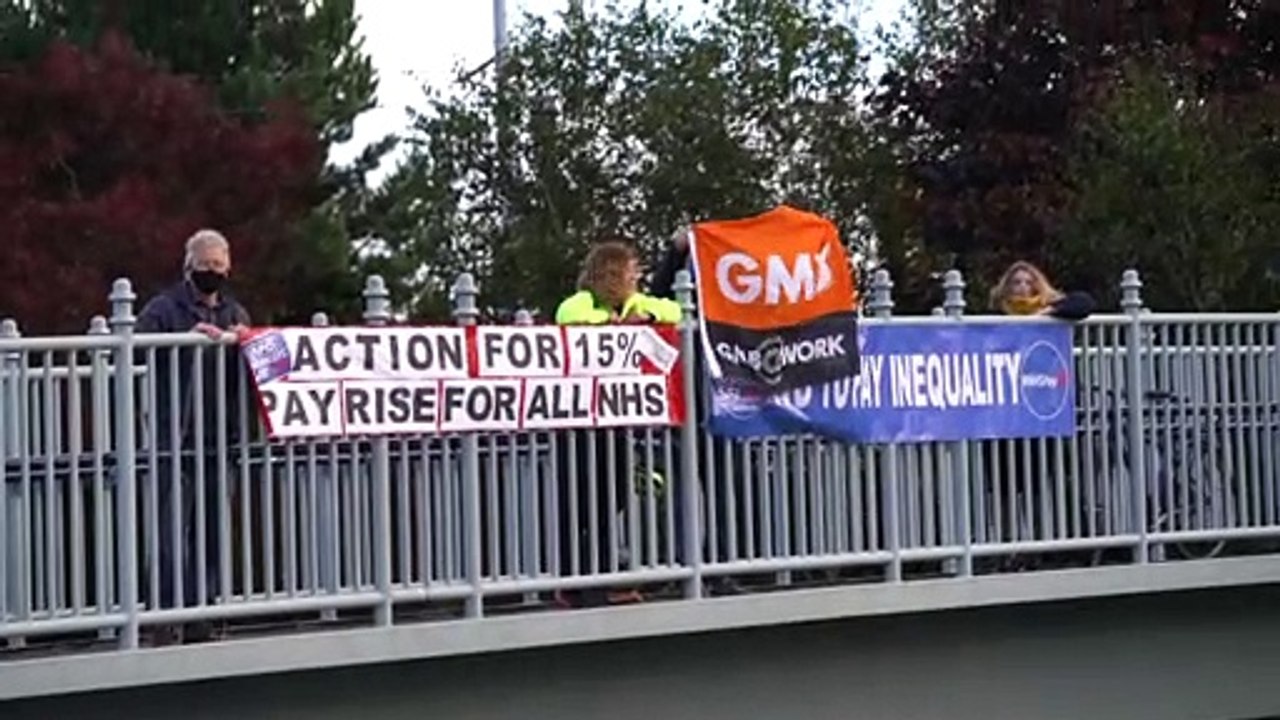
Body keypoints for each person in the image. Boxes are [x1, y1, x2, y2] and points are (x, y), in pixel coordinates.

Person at [135, 228, 251, 645]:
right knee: (170, 530)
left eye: (219, 267)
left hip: (221, 436)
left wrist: (241, 341)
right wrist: (184, 340)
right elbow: (133, 346)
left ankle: (204, 611)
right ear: (189, 268)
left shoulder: (236, 313)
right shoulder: (164, 309)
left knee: (212, 528)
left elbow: (267, 358)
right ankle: (167, 615)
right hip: (175, 438)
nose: (212, 274)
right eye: (205, 267)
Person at [553, 239, 679, 608]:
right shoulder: (584, 302)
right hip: (577, 421)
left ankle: (603, 574)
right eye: (629, 271)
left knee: (616, 493)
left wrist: (646, 320)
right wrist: (612, 323)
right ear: (610, 275)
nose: (635, 276)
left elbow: (671, 309)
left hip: (617, 419)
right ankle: (574, 581)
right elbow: (567, 315)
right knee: (576, 503)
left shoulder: (638, 303)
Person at [990, 261, 1095, 320]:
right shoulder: (999, 310)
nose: (1023, 287)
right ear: (1007, 286)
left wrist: (1049, 311)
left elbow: (1085, 302)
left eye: (1029, 283)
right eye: (1017, 282)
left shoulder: (1046, 304)